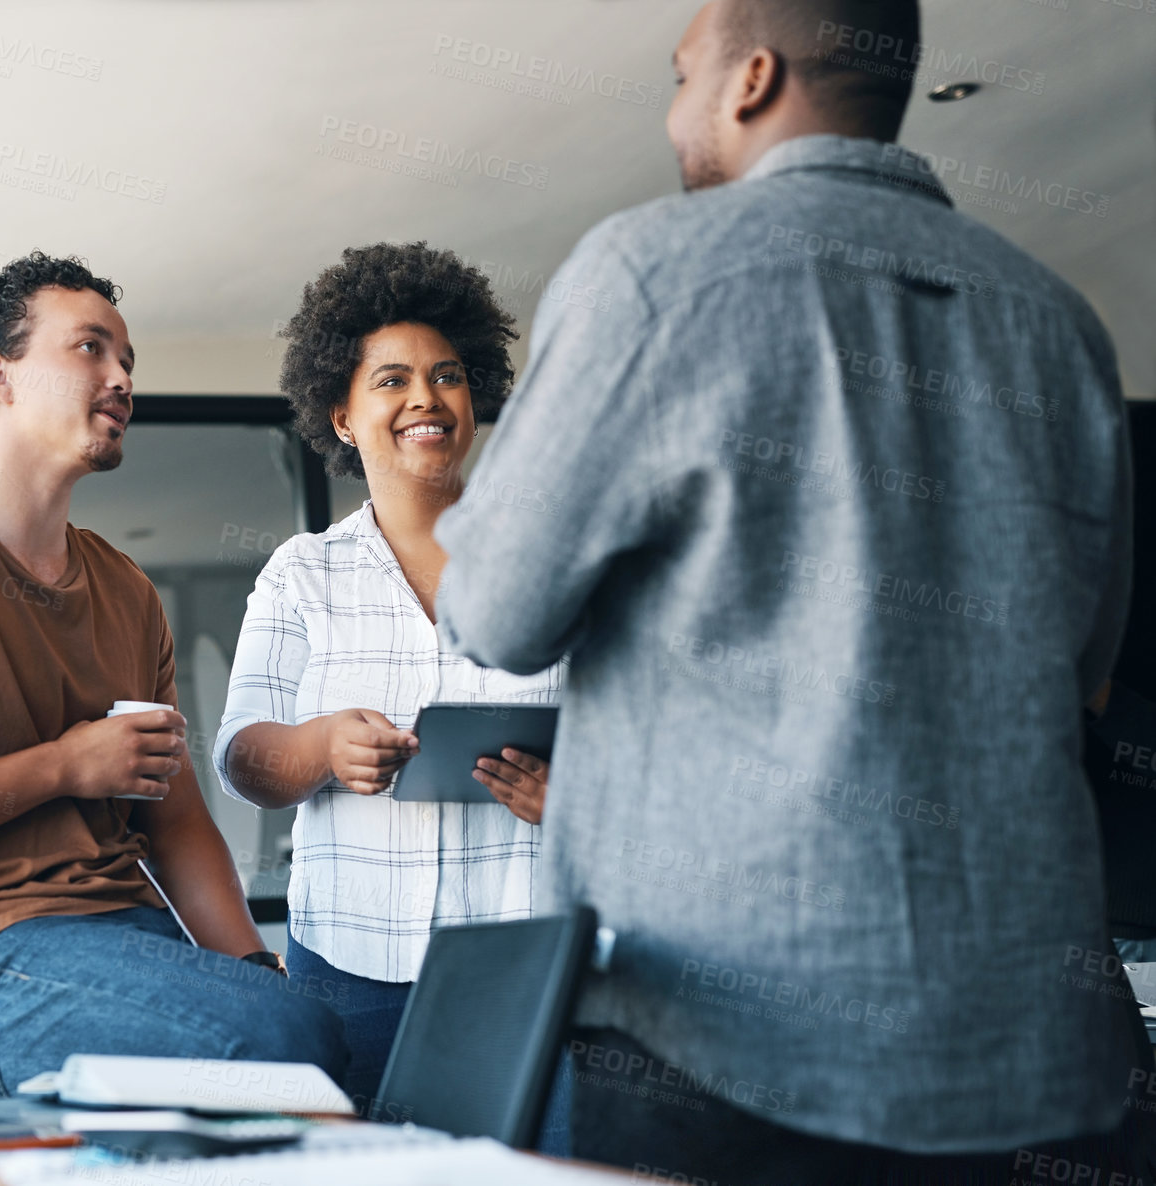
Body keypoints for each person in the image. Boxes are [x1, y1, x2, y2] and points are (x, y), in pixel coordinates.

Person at [433, 1, 1147, 1182]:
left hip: (721, 1033)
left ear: (749, 77)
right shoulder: (1063, 330)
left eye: (678, 77)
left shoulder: (649, 272)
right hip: (1022, 1046)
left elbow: (498, 615)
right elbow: (1081, 664)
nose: (671, 116)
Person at [0, 252, 346, 1097]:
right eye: (90, 348)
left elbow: (174, 823)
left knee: (301, 1027)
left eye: (127, 359)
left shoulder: (126, 590)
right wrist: (65, 765)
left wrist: (246, 967)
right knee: (285, 1039)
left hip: (123, 931)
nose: (121, 376)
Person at [213, 241, 565, 1120]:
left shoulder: (552, 564)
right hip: (352, 967)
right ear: (339, 413)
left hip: (525, 959)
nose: (425, 399)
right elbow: (241, 758)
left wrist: (573, 794)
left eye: (447, 376)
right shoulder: (302, 573)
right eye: (391, 379)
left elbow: (636, 744)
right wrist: (321, 746)